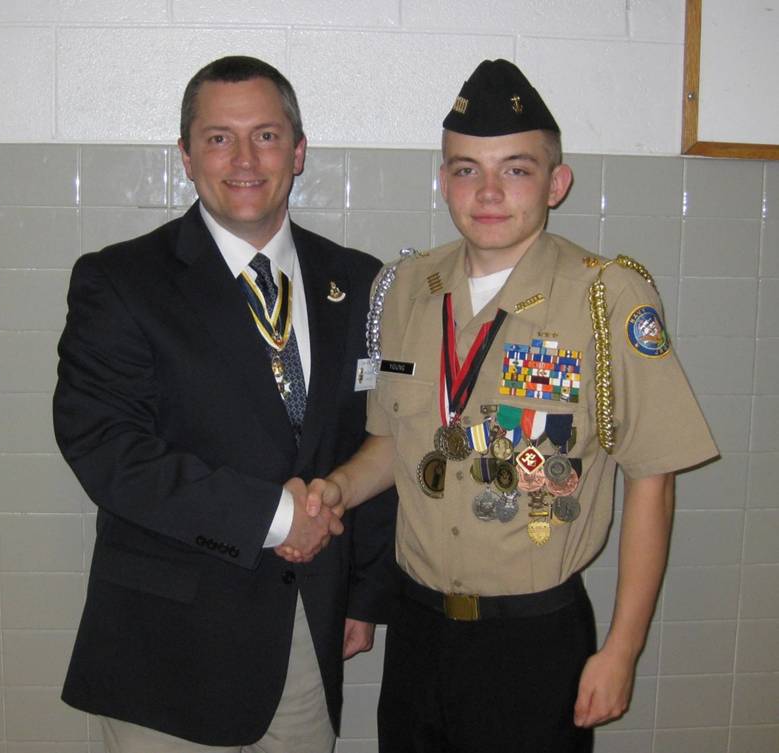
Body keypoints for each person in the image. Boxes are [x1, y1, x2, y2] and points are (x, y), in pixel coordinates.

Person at [302, 59, 719, 752]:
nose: (487, 191)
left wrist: (621, 650)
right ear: (443, 180)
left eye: (515, 169)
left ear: (556, 182)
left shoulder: (604, 298)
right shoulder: (405, 288)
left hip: (533, 639)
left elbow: (653, 479)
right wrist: (338, 487)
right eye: (465, 169)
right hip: (417, 626)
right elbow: (394, 444)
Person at [53, 55, 396, 753]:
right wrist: (276, 516)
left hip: (304, 628)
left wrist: (361, 593)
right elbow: (107, 450)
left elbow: (375, 433)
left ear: (297, 152)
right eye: (217, 138)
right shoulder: (119, 281)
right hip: (165, 650)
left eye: (266, 135)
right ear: (185, 155)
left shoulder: (358, 280)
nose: (243, 158)